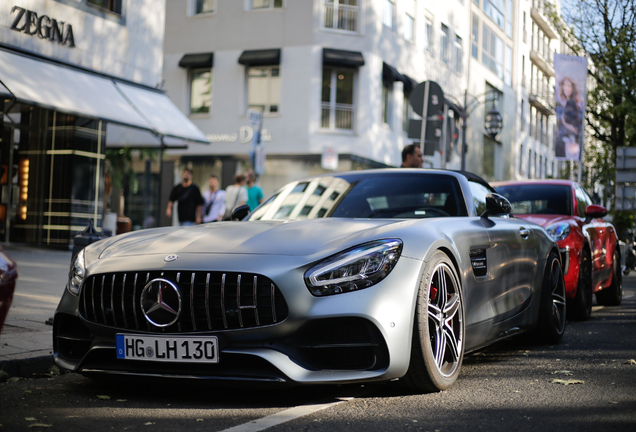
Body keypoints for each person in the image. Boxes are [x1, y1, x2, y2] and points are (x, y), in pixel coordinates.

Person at [555, 76, 582, 158]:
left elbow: (577, 128)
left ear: (572, 88)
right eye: (565, 85)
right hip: (563, 141)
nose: (566, 88)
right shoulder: (561, 104)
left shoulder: (573, 104)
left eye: (569, 86)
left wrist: (565, 124)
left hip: (570, 141)